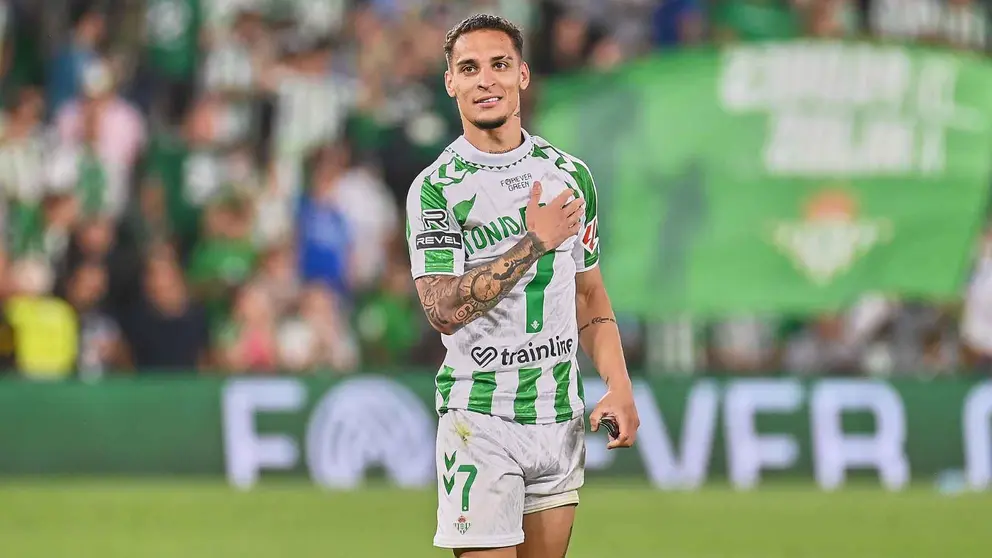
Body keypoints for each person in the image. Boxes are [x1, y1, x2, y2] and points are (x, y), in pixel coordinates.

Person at [404, 13, 639, 558]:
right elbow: (442, 310)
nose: (485, 79)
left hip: (558, 416)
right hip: (479, 419)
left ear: (523, 75)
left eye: (499, 64)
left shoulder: (570, 176)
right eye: (469, 68)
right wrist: (533, 242)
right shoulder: (436, 189)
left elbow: (588, 294)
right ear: (450, 83)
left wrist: (619, 383)